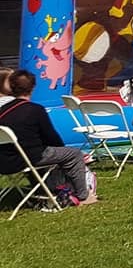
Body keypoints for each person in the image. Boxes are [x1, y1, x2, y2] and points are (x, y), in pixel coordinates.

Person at [0, 70, 97, 206]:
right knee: (73, 154)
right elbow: (51, 137)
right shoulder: (35, 110)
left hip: (5, 161)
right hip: (28, 158)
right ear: (33, 87)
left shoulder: (3, 111)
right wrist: (62, 149)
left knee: (47, 153)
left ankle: (44, 190)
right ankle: (83, 196)